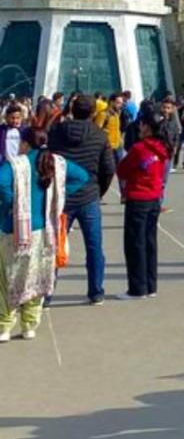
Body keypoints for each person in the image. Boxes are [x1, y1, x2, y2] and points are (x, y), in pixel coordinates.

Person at [0, 129, 89, 340]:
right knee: (36, 276)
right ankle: (29, 325)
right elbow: (82, 177)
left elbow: (1, 183)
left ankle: (4, 326)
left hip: (13, 229)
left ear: (25, 143)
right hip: (44, 230)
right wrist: (58, 197)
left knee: (6, 278)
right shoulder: (56, 162)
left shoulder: (16, 164)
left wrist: (13, 202)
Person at [47, 95, 115, 305]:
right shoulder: (99, 135)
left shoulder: (57, 131)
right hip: (89, 196)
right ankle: (96, 291)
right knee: (94, 246)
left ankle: (46, 293)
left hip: (62, 197)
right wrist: (99, 190)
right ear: (94, 112)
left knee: (54, 246)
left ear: (72, 109)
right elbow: (109, 169)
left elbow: (48, 160)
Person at [116, 111, 170, 300]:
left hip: (138, 197)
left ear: (147, 126)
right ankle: (151, 284)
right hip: (154, 198)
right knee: (149, 242)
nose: (139, 127)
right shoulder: (162, 148)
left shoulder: (139, 149)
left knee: (134, 244)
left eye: (142, 124)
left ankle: (137, 288)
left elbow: (122, 169)